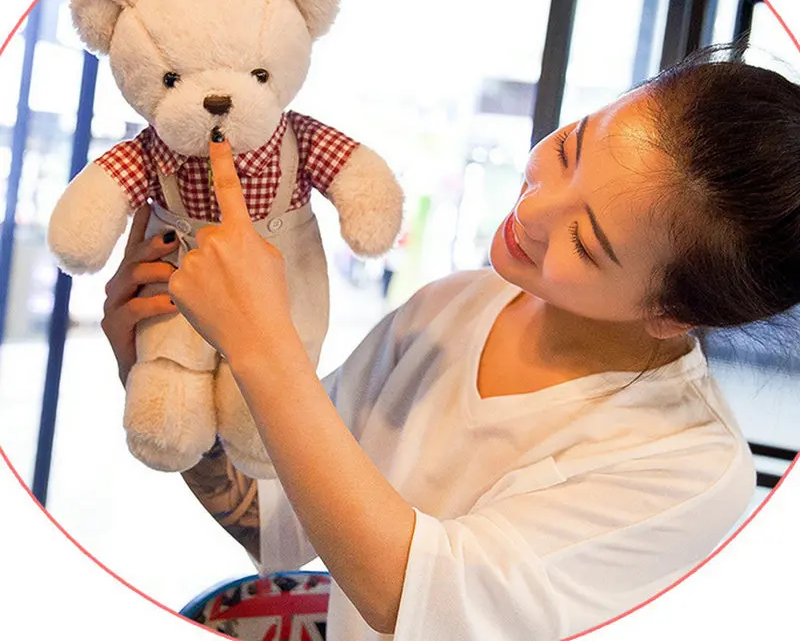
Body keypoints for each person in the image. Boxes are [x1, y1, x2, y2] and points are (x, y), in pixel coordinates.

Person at [101, 44, 800, 640]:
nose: (532, 207)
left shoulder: (690, 469)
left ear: (673, 312)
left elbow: (410, 595)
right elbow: (272, 512)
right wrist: (164, 363)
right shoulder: (458, 305)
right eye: (570, 149)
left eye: (585, 241)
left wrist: (263, 346)